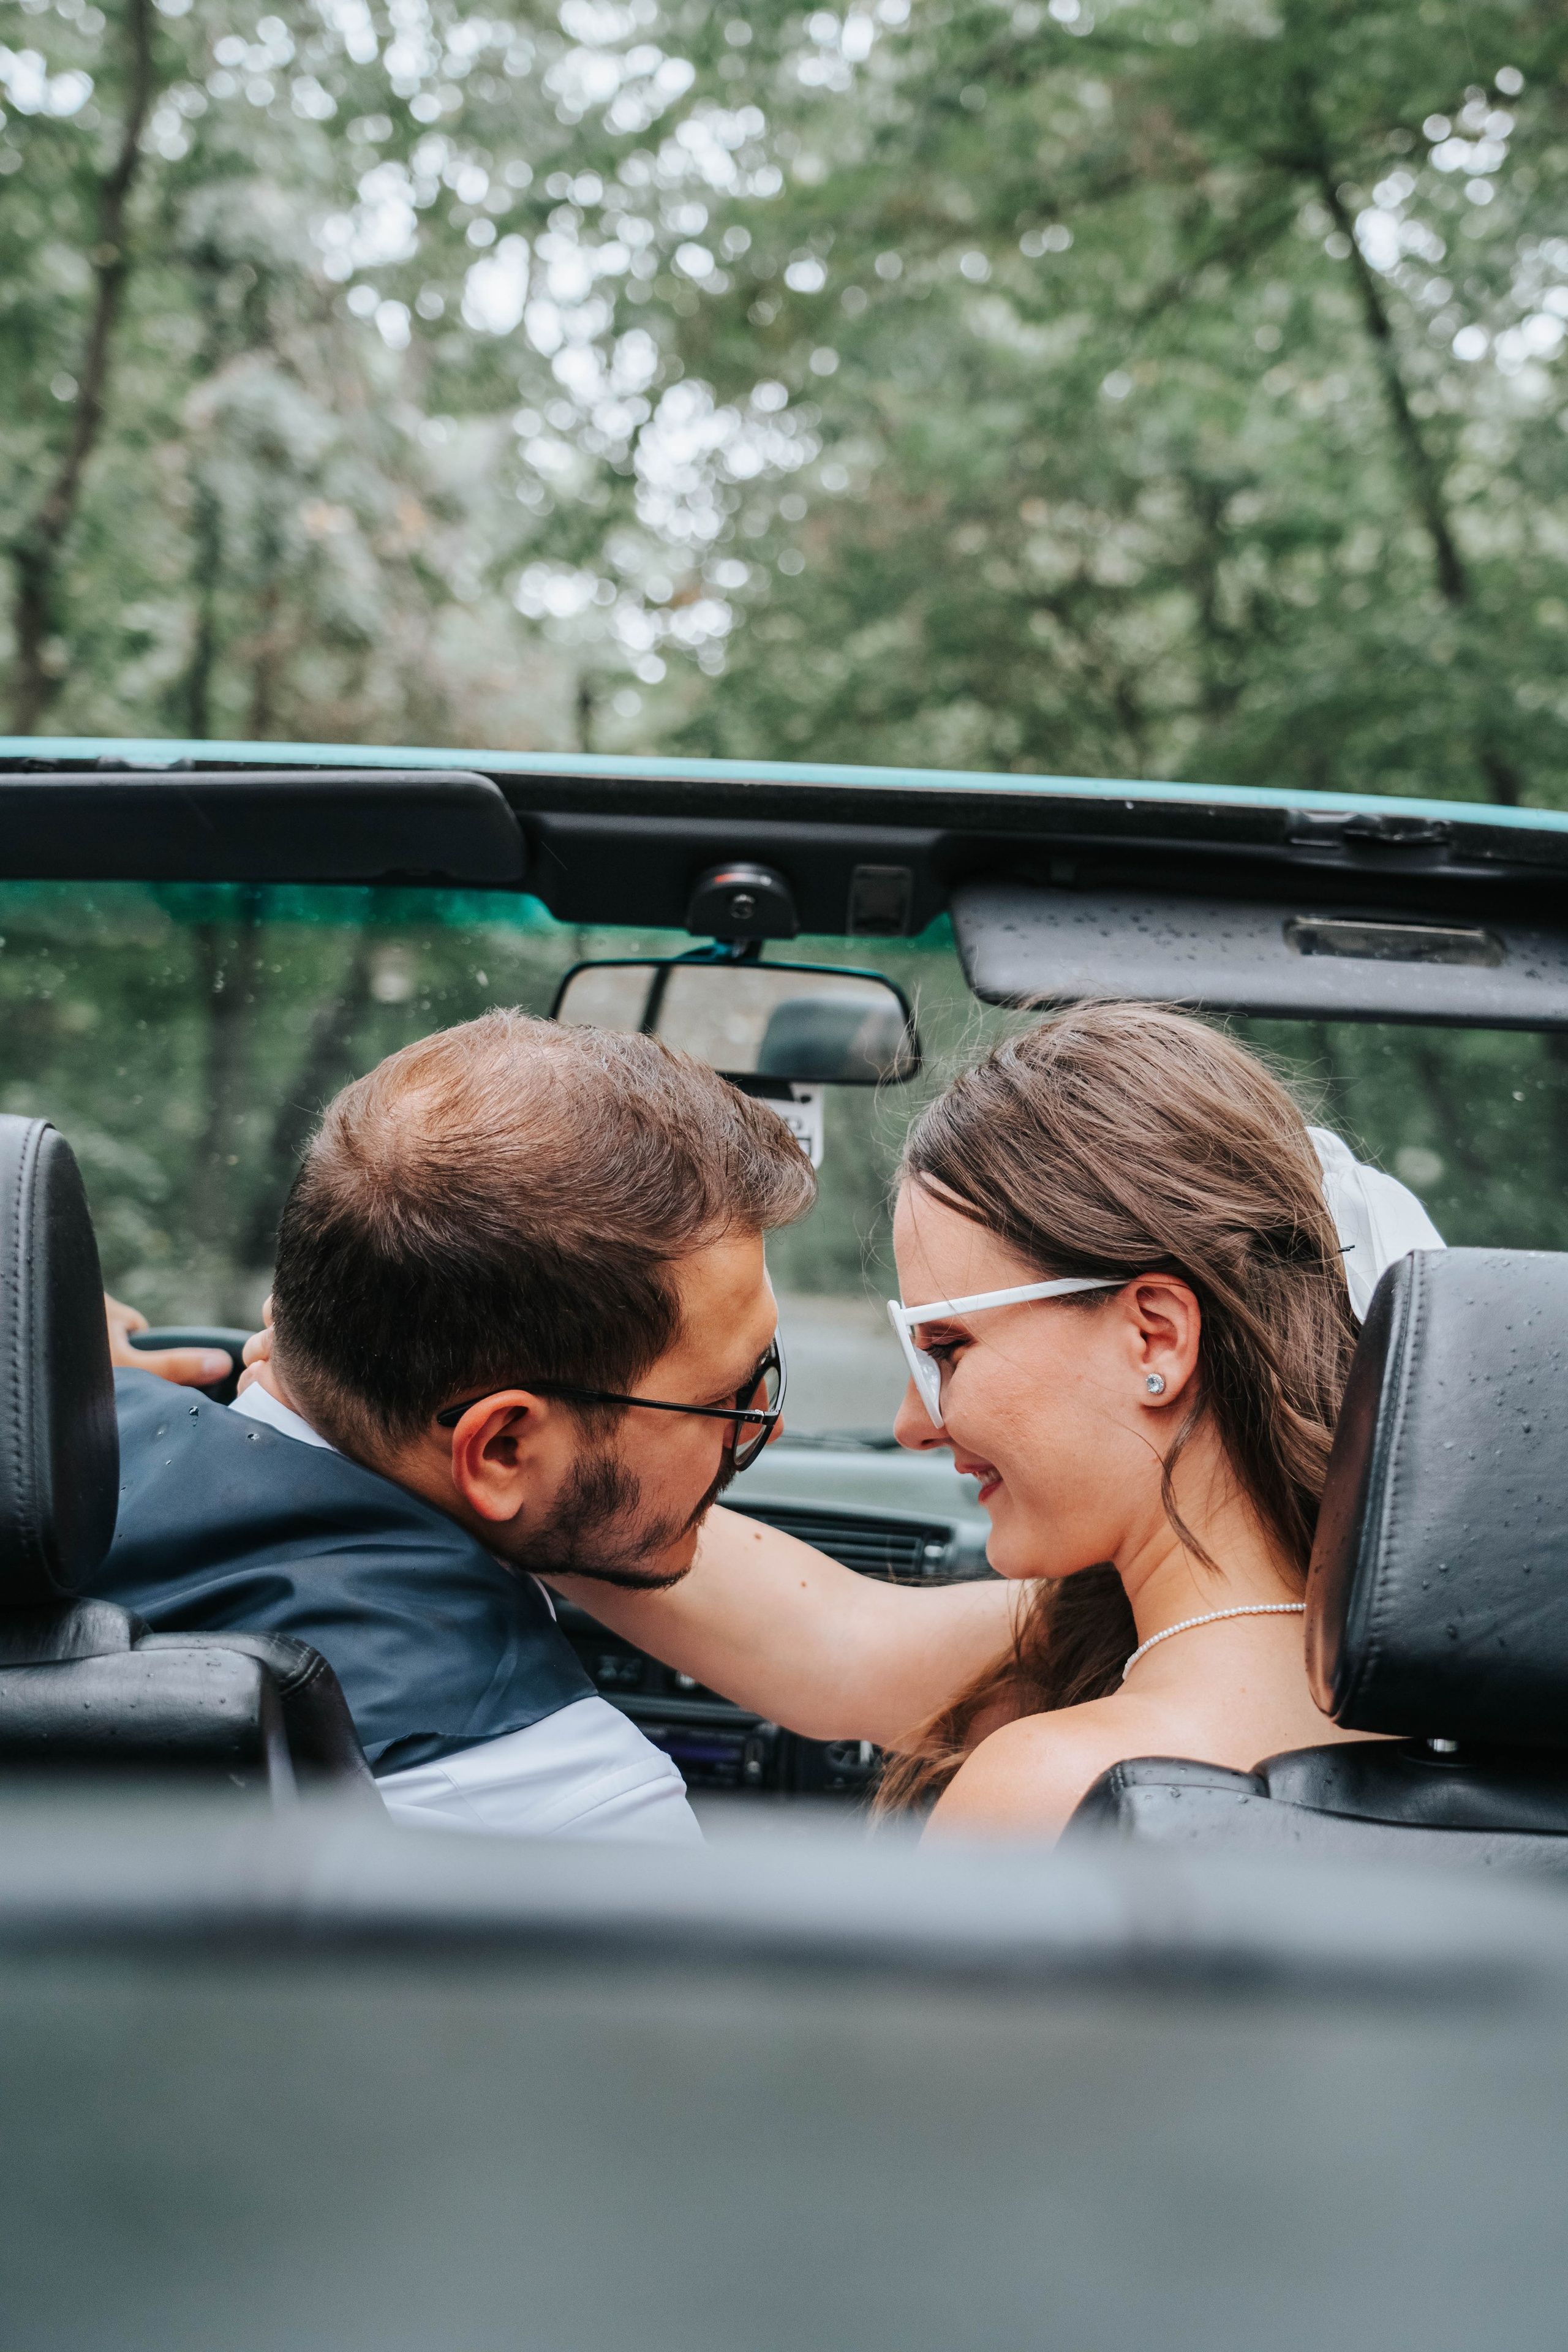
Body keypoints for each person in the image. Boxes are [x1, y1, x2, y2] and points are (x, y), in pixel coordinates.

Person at [96, 1009, 1017, 1839]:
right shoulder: (578, 1815)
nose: (760, 1431)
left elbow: (848, 1650)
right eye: (722, 1400)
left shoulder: (65, 1463)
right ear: (501, 1448)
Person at [539, 1001, 1443, 1836]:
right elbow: (842, 1644)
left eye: (946, 1349)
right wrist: (529, 1468)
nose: (910, 1423)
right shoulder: (1451, 1672)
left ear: (1155, 1338)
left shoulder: (1051, 1787)